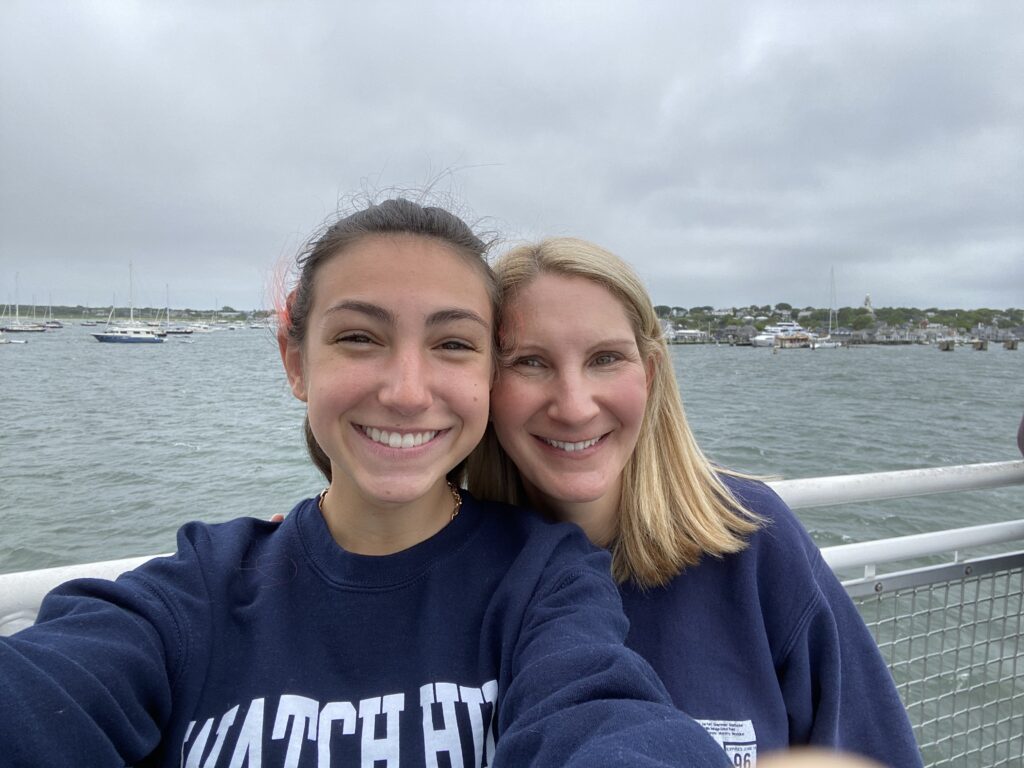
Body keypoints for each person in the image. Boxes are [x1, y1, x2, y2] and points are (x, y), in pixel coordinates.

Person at [0, 203, 731, 766]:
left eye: (452, 344)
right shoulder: (197, 596)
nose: (408, 392)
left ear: (486, 375)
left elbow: (602, 716)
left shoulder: (543, 579)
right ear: (295, 362)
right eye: (359, 337)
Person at [467, 236, 923, 768]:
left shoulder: (754, 541)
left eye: (606, 358)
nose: (574, 406)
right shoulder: (448, 572)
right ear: (486, 387)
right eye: (530, 362)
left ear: (650, 374)